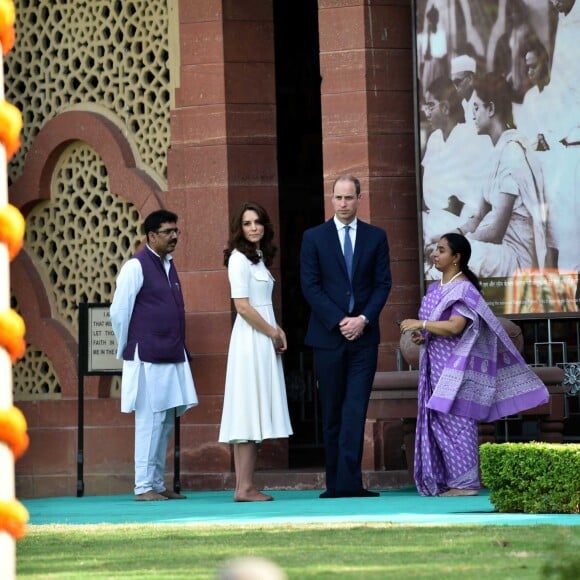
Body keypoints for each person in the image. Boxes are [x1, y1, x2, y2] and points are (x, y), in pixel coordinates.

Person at [399, 233, 549, 497]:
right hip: (434, 365)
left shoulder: (464, 289)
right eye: (436, 249)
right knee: (438, 423)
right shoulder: (435, 289)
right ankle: (449, 480)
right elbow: (438, 326)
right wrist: (423, 334)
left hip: (459, 367)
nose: (435, 254)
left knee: (459, 423)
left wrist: (421, 324)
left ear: (456, 258)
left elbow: (457, 327)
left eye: (442, 250)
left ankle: (466, 485)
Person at [300, 175, 392, 498]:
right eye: (338, 198)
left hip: (364, 338)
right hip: (328, 336)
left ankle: (351, 483)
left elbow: (383, 284)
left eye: (349, 198)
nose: (343, 204)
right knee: (333, 409)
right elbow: (309, 286)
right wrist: (341, 320)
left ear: (359, 198)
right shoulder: (314, 238)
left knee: (356, 408)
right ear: (331, 198)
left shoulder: (376, 237)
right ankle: (334, 484)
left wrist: (363, 319)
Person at [110, 209, 198, 501]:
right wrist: (130, 347)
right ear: (151, 236)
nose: (174, 236)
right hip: (146, 356)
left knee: (166, 421)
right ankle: (143, 486)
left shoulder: (169, 265)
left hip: (172, 353)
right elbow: (119, 312)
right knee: (149, 421)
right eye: (167, 232)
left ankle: (157, 484)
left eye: (176, 231)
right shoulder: (135, 266)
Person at [218, 202, 292, 502]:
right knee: (247, 410)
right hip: (250, 340)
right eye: (247, 223)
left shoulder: (258, 258)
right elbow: (243, 306)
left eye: (257, 222)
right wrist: (272, 331)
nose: (253, 228)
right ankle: (244, 486)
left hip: (262, 337)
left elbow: (261, 304)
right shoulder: (238, 259)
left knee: (255, 409)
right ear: (239, 228)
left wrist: (278, 329)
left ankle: (245, 486)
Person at [457, 72, 547, 279]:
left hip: (517, 258)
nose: (472, 115)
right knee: (442, 249)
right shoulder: (496, 152)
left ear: (491, 109)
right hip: (498, 250)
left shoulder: (512, 154)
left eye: (476, 108)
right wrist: (449, 238)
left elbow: (496, 231)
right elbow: (478, 217)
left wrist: (459, 245)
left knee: (457, 257)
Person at [420, 76, 491, 279]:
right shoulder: (434, 140)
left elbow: (476, 200)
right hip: (433, 220)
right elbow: (427, 193)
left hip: (460, 223)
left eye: (430, 105)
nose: (427, 112)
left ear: (445, 108)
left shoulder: (470, 134)